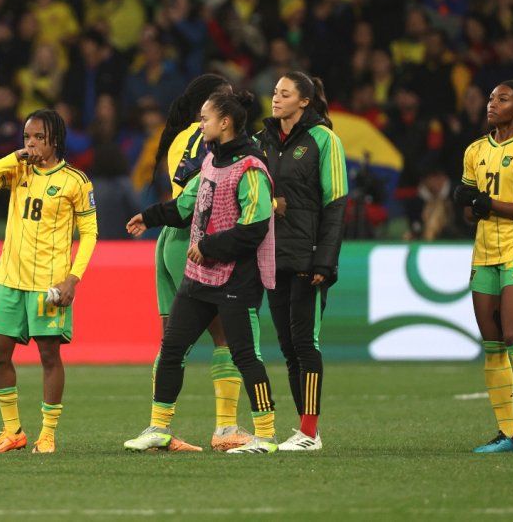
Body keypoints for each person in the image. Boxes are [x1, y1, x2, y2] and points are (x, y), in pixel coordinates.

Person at [124, 91, 280, 454]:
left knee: (245, 356)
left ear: (225, 123)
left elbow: (254, 227)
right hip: (199, 277)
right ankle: (158, 428)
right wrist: (148, 216)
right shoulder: (210, 161)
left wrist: (209, 246)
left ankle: (266, 435)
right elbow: (184, 206)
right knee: (172, 348)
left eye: (205, 118)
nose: (200, 123)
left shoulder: (251, 167)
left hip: (236, 279)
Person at [0, 109, 98, 454]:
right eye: (26, 137)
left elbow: (89, 234)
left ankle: (48, 434)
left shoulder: (75, 181)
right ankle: (12, 431)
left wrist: (73, 279)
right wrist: (14, 157)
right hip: (9, 278)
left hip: (48, 283)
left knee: (49, 356)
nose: (31, 144)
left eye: (38, 137)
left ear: (55, 140)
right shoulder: (18, 169)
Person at [149, 74, 255, 452]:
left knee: (172, 341)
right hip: (199, 241)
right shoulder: (220, 141)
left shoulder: (179, 138)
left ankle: (158, 427)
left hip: (168, 241)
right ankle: (226, 430)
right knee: (226, 335)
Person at [453, 80, 513, 453]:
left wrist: (486, 203)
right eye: (491, 98)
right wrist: (466, 202)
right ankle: (506, 432)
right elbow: (470, 212)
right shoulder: (475, 150)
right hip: (484, 253)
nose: (492, 104)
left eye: (502, 99)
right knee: (492, 344)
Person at [252, 71, 347, 451]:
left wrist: (325, 261)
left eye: (285, 93)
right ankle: (304, 430)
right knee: (289, 347)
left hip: (308, 257)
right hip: (271, 256)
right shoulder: (261, 141)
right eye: (275, 92)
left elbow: (335, 203)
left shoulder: (324, 140)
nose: (276, 98)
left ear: (304, 101)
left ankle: (310, 432)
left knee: (306, 343)